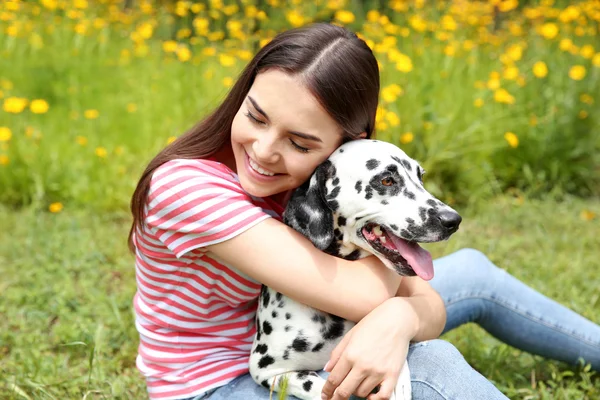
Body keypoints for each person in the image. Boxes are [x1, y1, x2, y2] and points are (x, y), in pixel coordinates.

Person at [128, 23, 600, 400]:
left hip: (316, 319)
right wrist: (395, 314)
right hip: (230, 382)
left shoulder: (322, 184)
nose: (266, 151)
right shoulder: (187, 188)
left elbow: (426, 304)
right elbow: (367, 294)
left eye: (300, 142)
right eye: (256, 116)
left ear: (343, 150)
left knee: (472, 273)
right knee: (430, 366)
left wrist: (401, 321)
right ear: (243, 94)